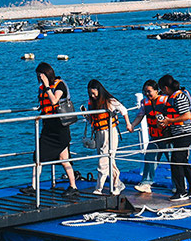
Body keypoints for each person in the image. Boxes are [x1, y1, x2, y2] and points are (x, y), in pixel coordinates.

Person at [21, 62, 79, 199]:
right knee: (38, 157)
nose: (39, 79)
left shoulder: (60, 85)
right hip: (48, 127)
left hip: (60, 128)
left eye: (40, 76)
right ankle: (34, 186)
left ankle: (73, 186)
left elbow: (54, 101)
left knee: (63, 159)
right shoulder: (42, 88)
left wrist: (47, 86)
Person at [85, 79, 132, 195]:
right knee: (109, 159)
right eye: (90, 93)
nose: (92, 96)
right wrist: (86, 115)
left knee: (103, 161)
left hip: (109, 132)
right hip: (98, 133)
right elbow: (91, 119)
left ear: (99, 91)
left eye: (94, 93)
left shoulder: (109, 101)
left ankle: (98, 188)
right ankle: (118, 183)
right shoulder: (91, 103)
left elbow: (123, 110)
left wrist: (128, 124)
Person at [158, 74, 191, 201]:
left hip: (184, 133)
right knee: (181, 160)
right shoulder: (172, 97)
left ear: (165, 88)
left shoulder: (179, 97)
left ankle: (181, 191)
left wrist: (169, 120)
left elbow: (186, 115)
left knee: (176, 161)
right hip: (177, 133)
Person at [130, 80, 171, 193]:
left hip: (168, 136)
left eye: (149, 91)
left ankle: (179, 185)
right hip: (155, 137)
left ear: (156, 91)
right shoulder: (145, 103)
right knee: (150, 159)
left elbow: (172, 114)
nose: (147, 94)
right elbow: (140, 115)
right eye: (145, 92)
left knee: (174, 161)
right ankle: (146, 183)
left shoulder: (165, 100)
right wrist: (132, 125)